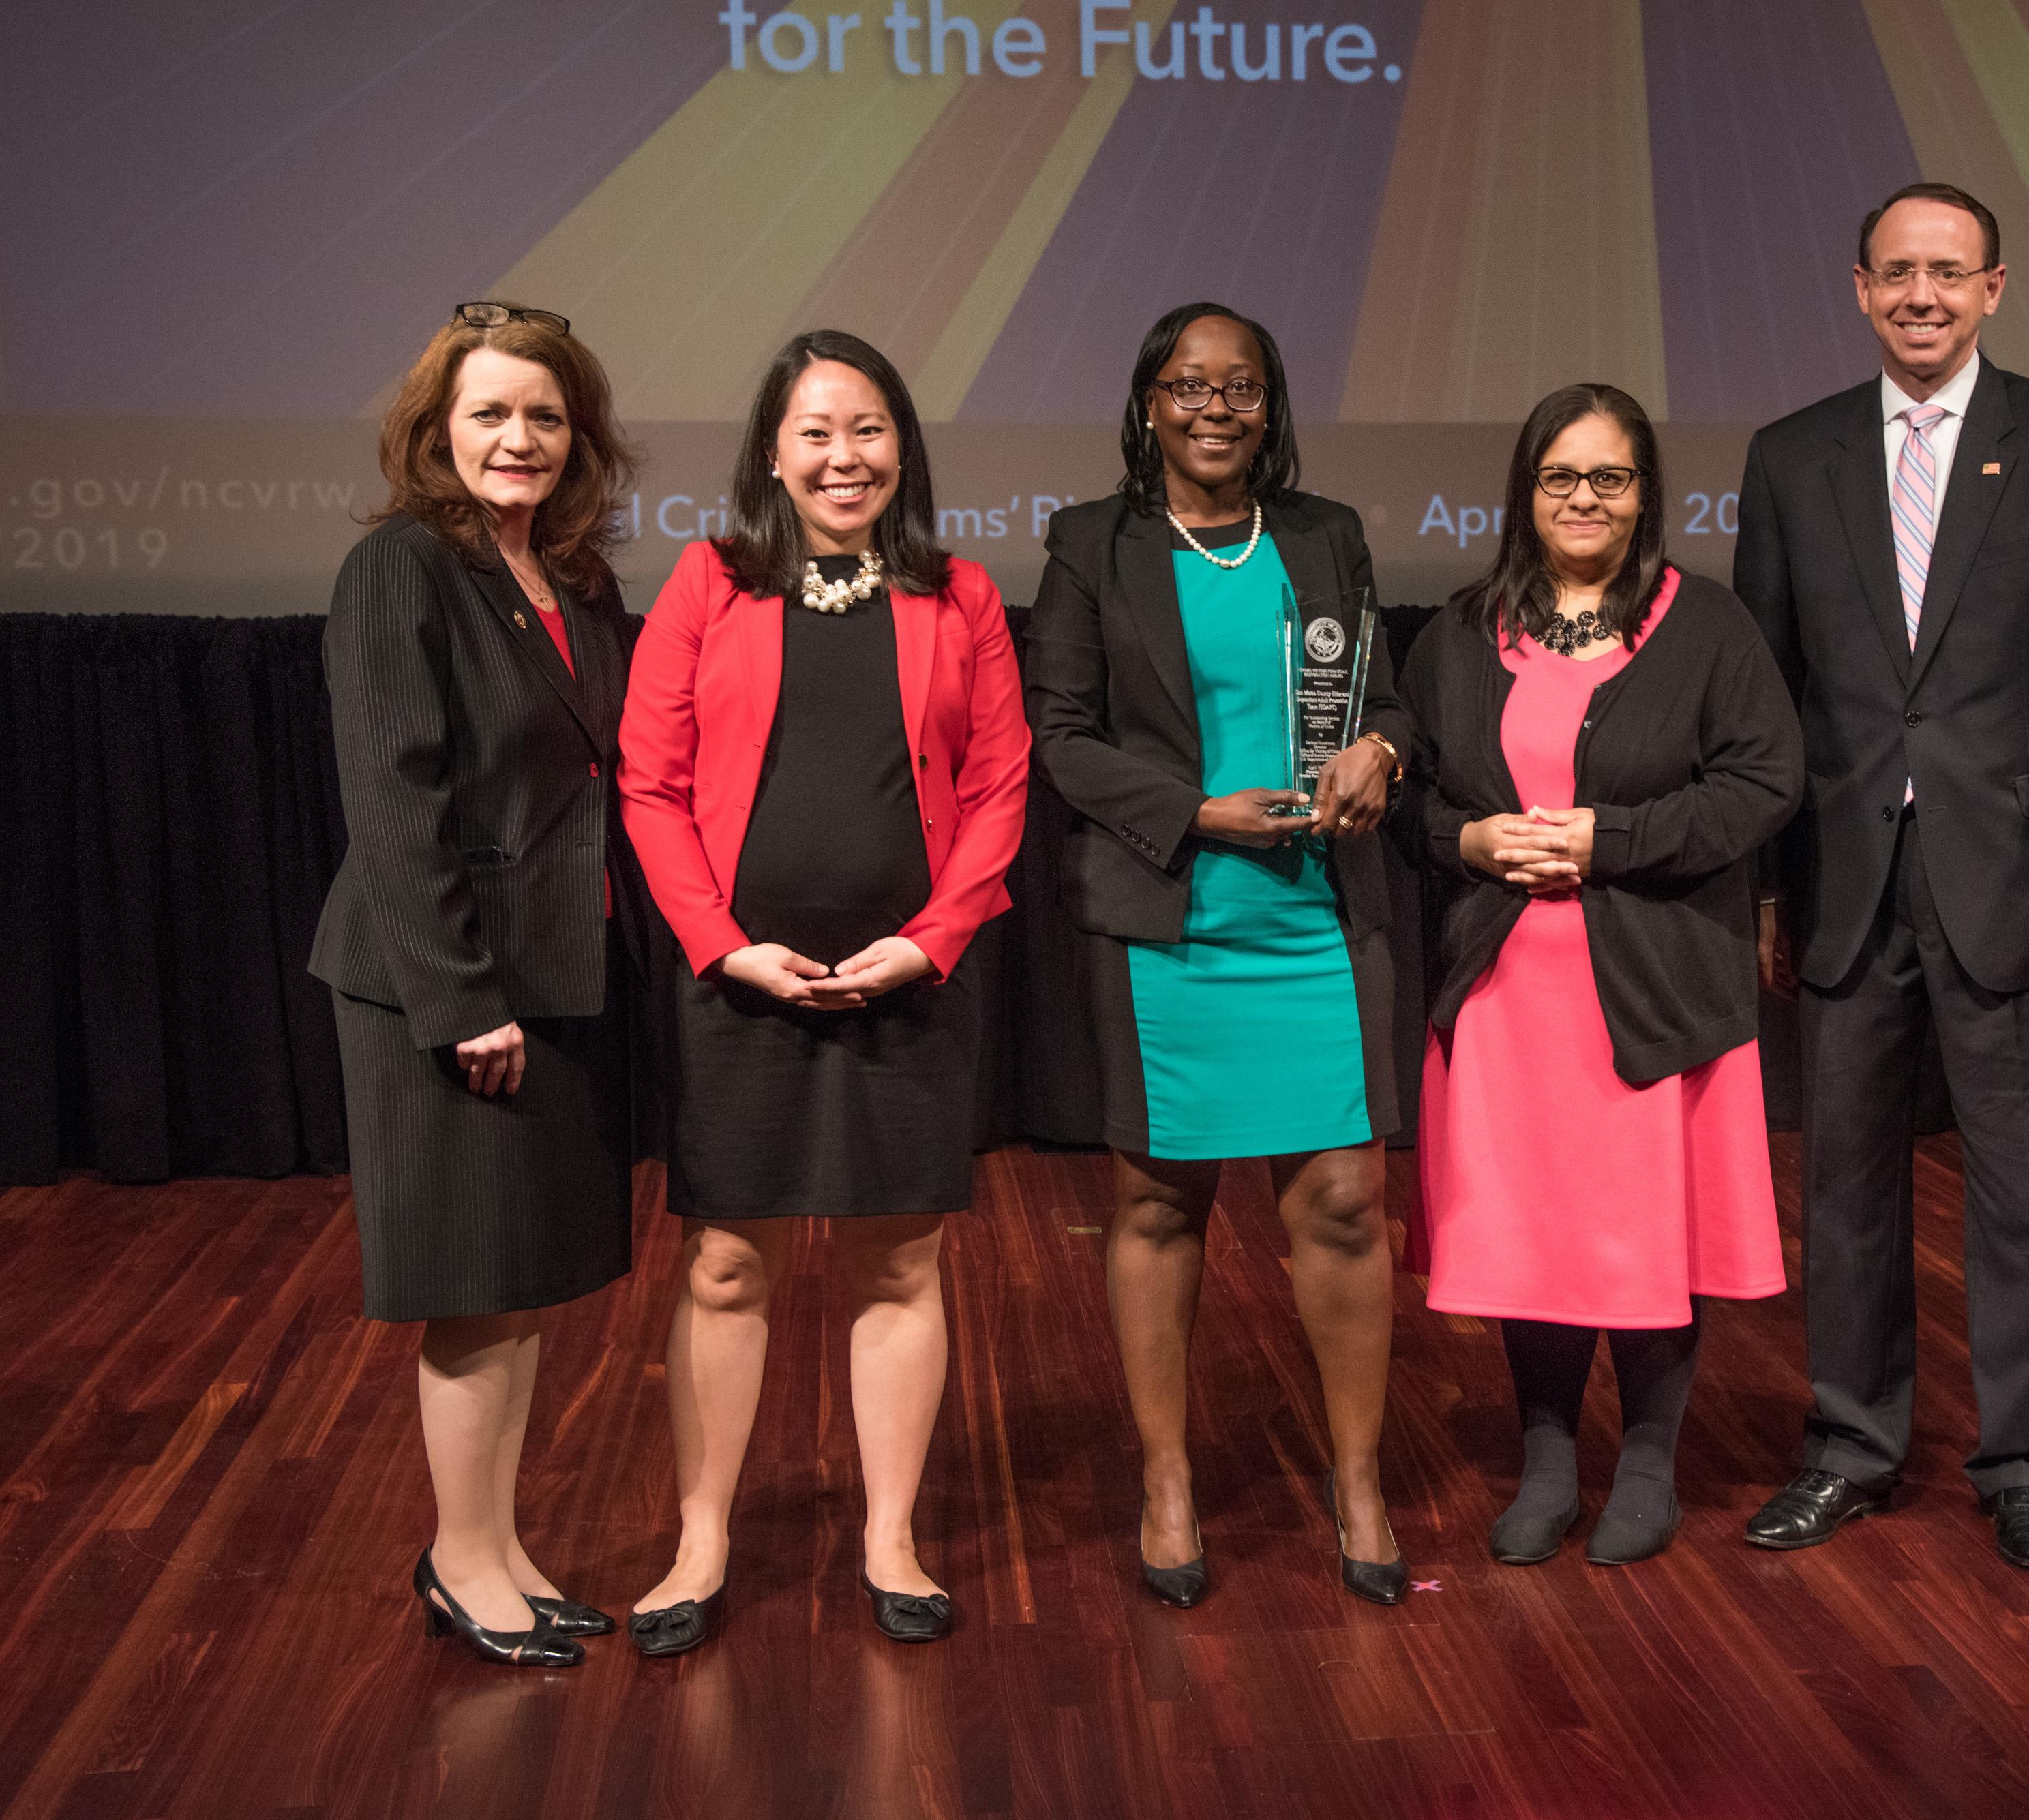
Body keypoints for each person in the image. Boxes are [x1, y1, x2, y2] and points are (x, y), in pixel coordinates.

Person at [1733, 182, 2029, 1571]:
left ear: (1991, 289)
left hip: (2026, 890)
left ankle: (2027, 1463)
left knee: (2023, 1192)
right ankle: (1850, 1448)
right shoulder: (1790, 454)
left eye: (1948, 274)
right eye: (1895, 275)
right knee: (1844, 1189)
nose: (1921, 297)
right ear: (1858, 289)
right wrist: (1757, 890)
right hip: (1845, 883)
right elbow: (1763, 699)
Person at [617, 330, 1031, 1651]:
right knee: (728, 1266)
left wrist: (938, 934)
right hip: (740, 978)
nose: (841, 455)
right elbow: (650, 782)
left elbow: (997, 786)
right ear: (771, 454)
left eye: (865, 429)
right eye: (814, 431)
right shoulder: (707, 581)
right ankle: (699, 1543)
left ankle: (891, 1539)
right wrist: (717, 941)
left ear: (901, 446)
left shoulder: (958, 592)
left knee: (897, 1261)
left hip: (906, 978)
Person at [1025, 301, 1411, 1607]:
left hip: (1314, 914)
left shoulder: (1327, 533)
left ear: (1271, 404)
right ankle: (1169, 1475)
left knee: (1346, 1204)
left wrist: (1385, 750)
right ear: (1148, 403)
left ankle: (1356, 1476)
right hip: (1170, 917)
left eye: (1240, 385)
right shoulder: (1095, 543)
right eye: (1188, 385)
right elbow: (1063, 733)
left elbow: (1383, 691)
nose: (1214, 405)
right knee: (1157, 1203)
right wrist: (1190, 811)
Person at [1400, 384, 1799, 1566]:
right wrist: (1464, 841)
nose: (1585, 498)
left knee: (1645, 1237)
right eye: (1561, 477)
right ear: (1526, 493)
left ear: (1646, 494)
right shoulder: (1461, 631)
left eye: (1610, 478)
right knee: (1530, 1235)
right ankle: (1546, 1462)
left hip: (1655, 989)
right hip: (1507, 993)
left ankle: (1646, 1464)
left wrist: (1604, 840)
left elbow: (1765, 783)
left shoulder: (1707, 624)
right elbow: (1412, 794)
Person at [310, 301, 644, 1667]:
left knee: (513, 1288)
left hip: (553, 973)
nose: (520, 438)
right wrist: (461, 1003)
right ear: (437, 431)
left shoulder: (574, 581)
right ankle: (459, 1560)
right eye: (493, 414)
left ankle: (497, 1547)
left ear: (580, 438)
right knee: (467, 1287)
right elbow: (396, 800)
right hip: (444, 990)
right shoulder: (402, 569)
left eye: (546, 416)